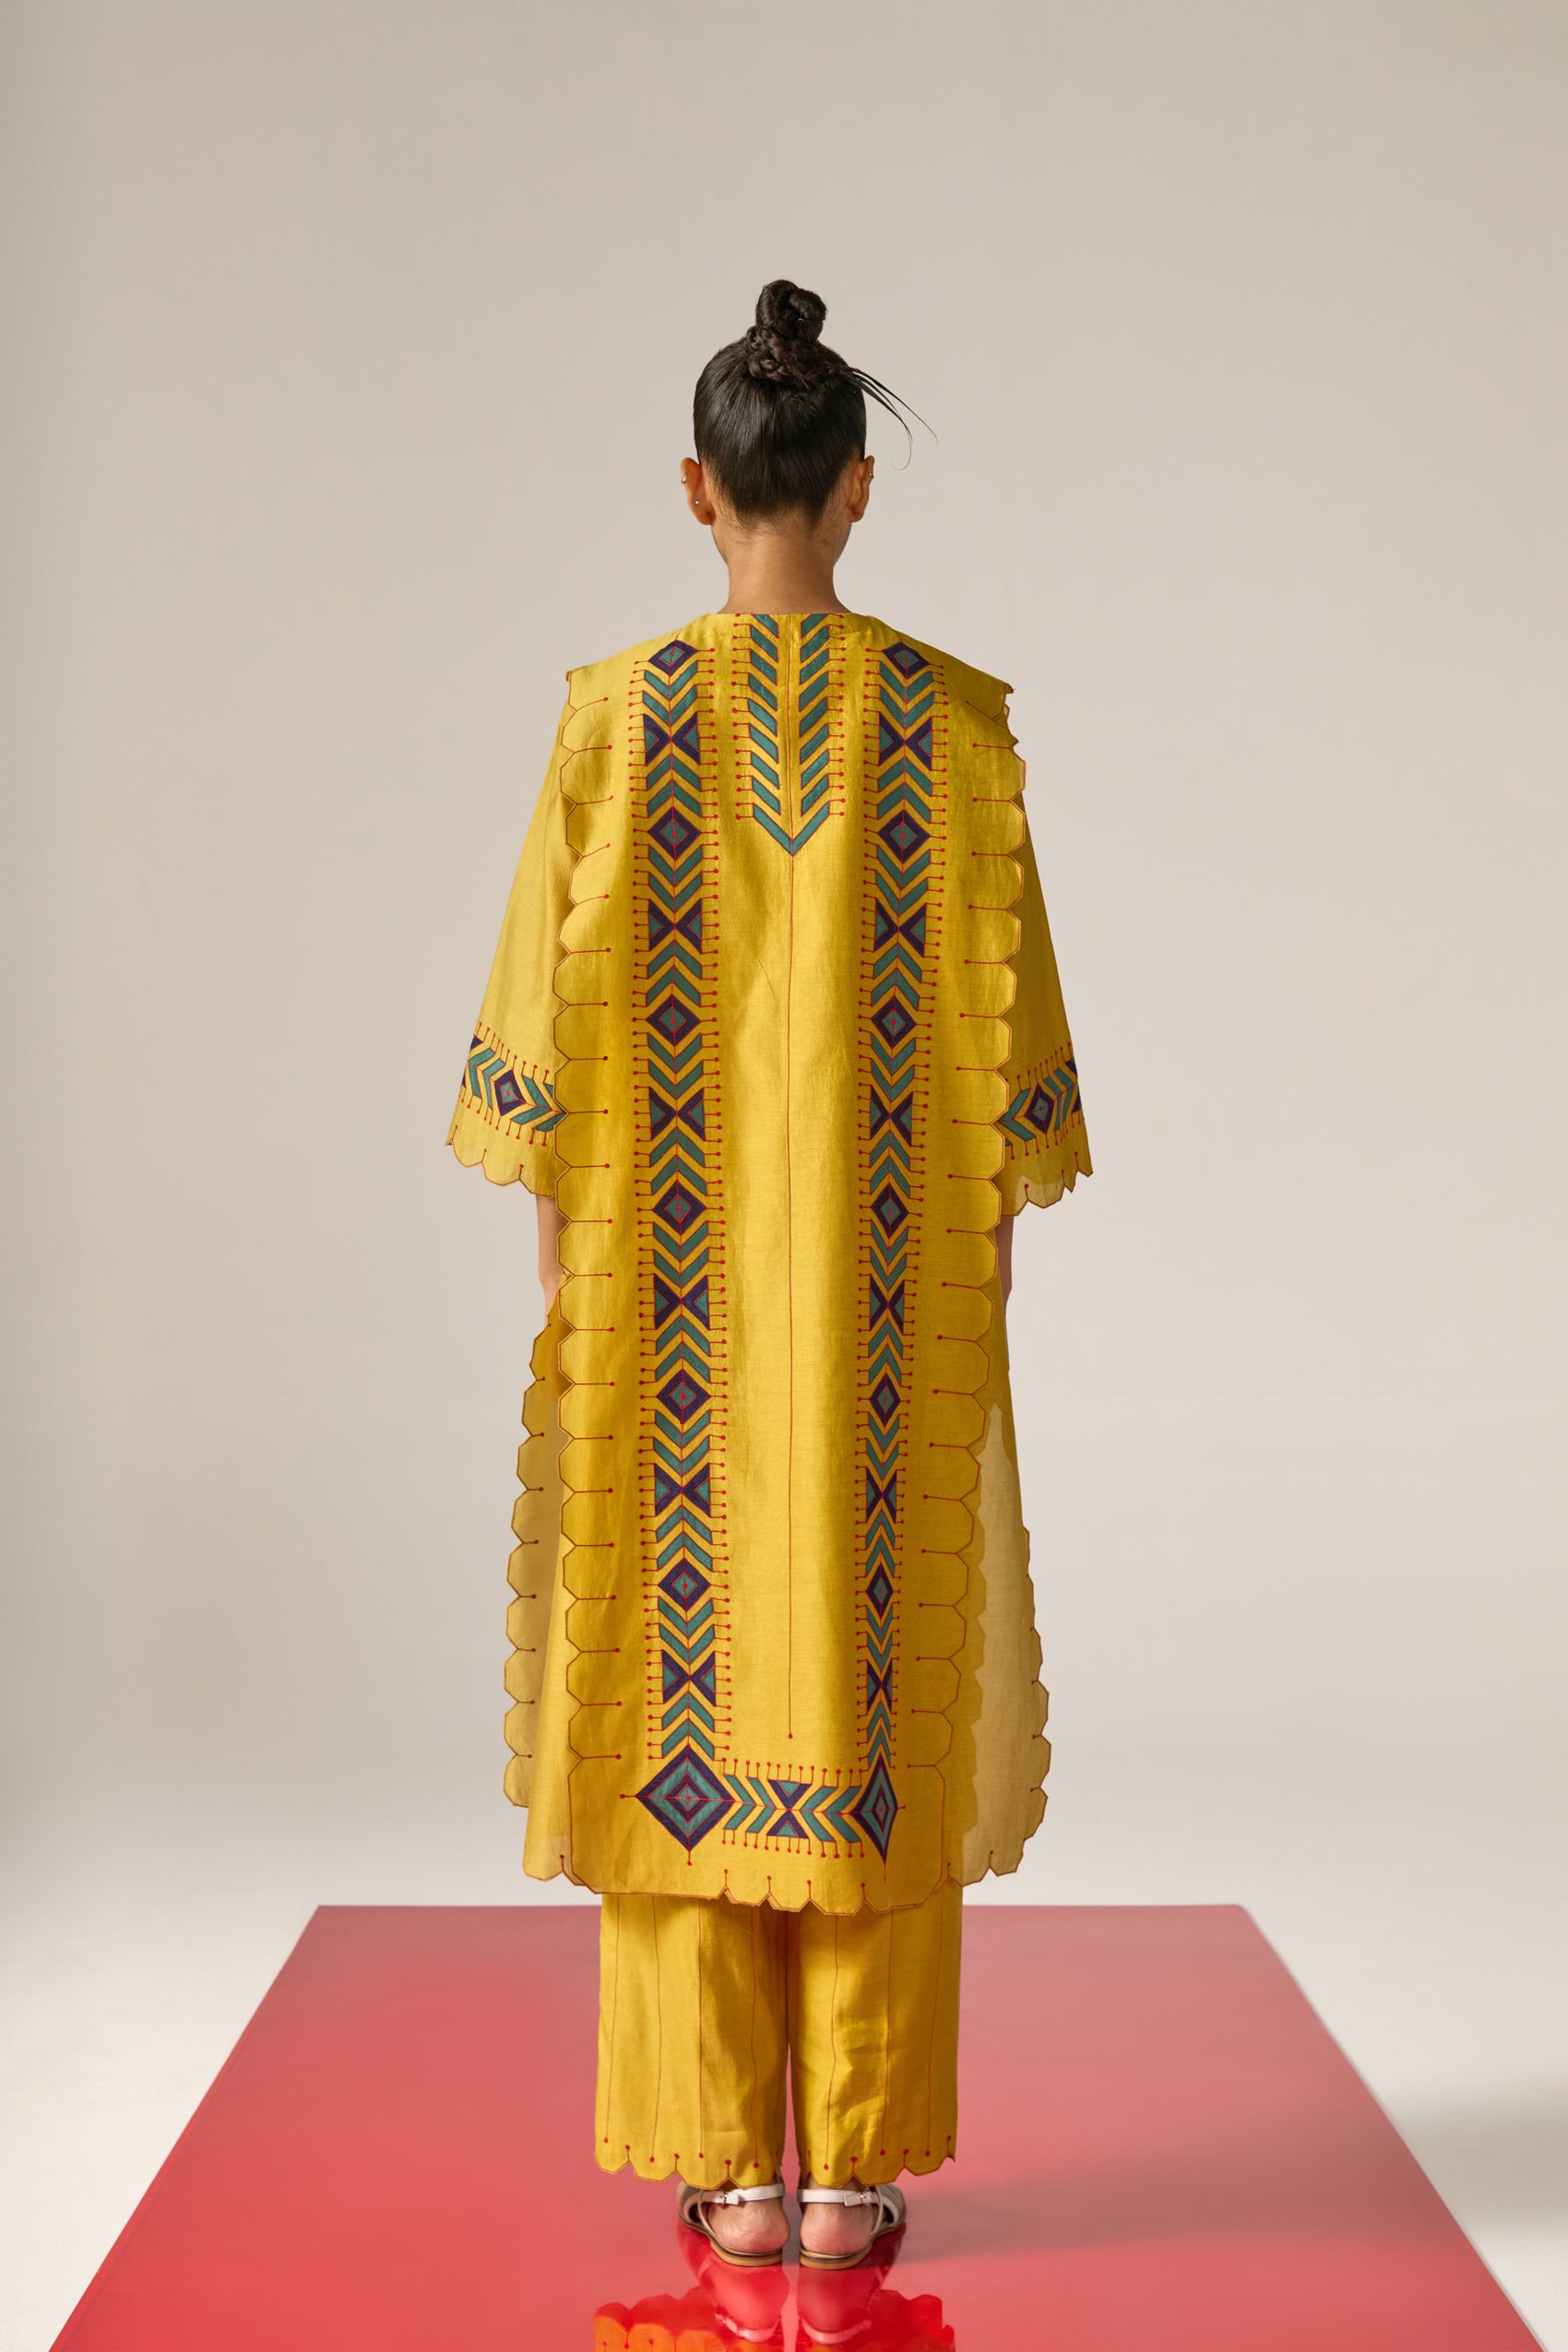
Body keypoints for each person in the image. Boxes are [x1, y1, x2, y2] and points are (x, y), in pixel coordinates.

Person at [447, 280, 1091, 2270]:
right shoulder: (955, 730)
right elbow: (1010, 1073)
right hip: (897, 1308)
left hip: (657, 1302)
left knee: (673, 1668)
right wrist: (965, 1296)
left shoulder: (610, 717)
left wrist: (570, 1292)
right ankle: (853, 2164)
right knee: (876, 1670)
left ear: (694, 489)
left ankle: (725, 2153)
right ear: (857, 487)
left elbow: (537, 1053)